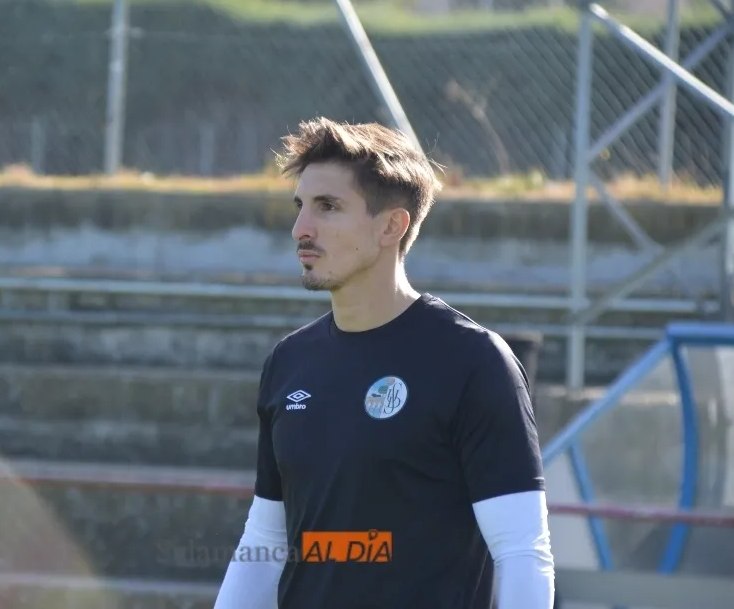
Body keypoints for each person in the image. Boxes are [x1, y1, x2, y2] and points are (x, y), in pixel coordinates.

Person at [212, 118, 555, 608]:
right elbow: (264, 543)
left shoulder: (472, 361)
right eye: (300, 206)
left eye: (328, 207)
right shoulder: (289, 362)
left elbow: (522, 552)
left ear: (392, 226)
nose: (301, 229)